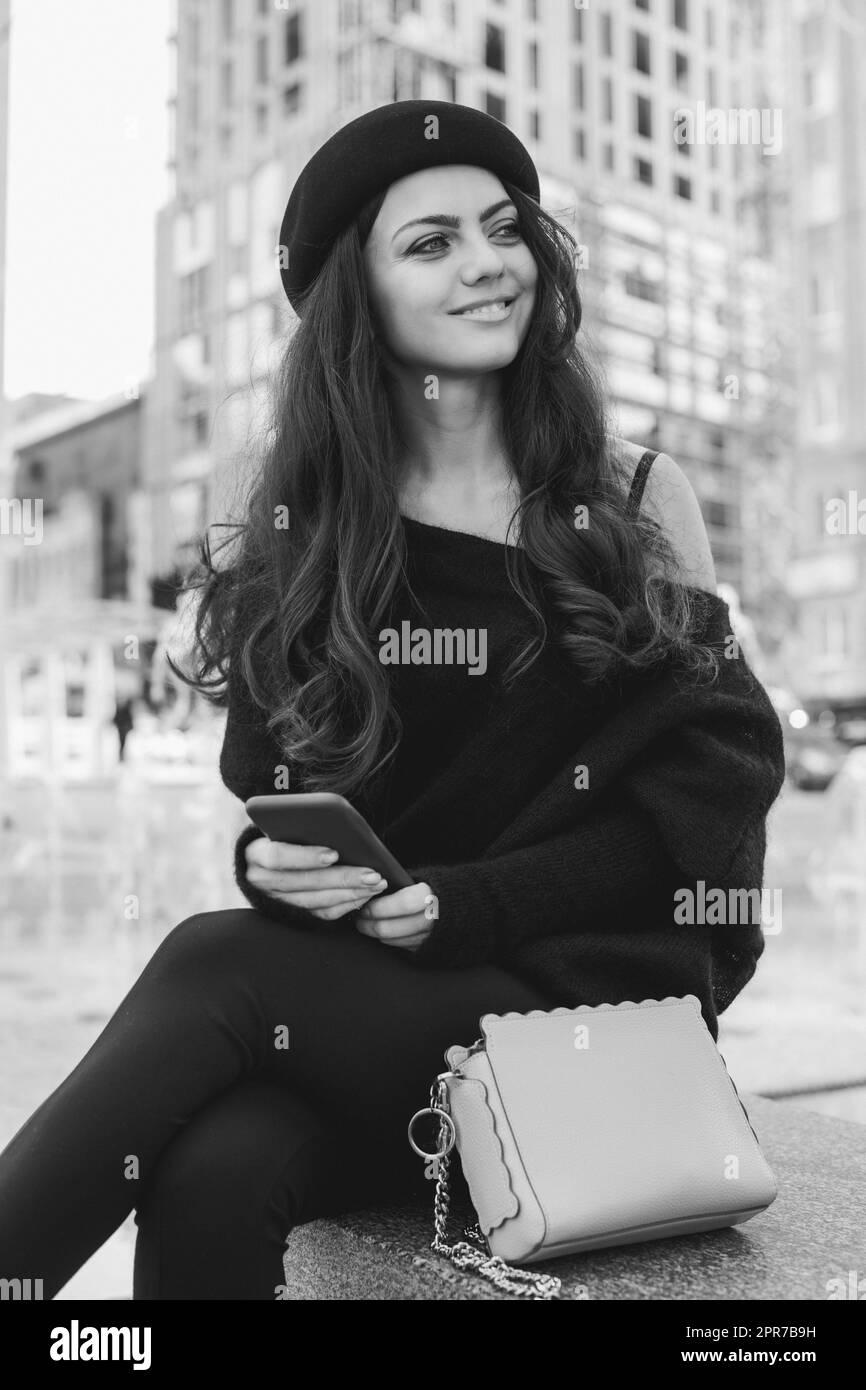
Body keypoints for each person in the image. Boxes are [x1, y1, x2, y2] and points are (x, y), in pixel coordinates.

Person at [0, 101, 786, 1300]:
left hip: (579, 1014)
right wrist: (286, 874)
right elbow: (280, 791)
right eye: (429, 244)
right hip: (390, 1024)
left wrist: (473, 901)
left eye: (500, 229)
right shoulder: (300, 536)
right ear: (354, 304)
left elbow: (714, 789)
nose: (486, 264)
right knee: (213, 1164)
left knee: (215, 964)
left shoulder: (629, 499)